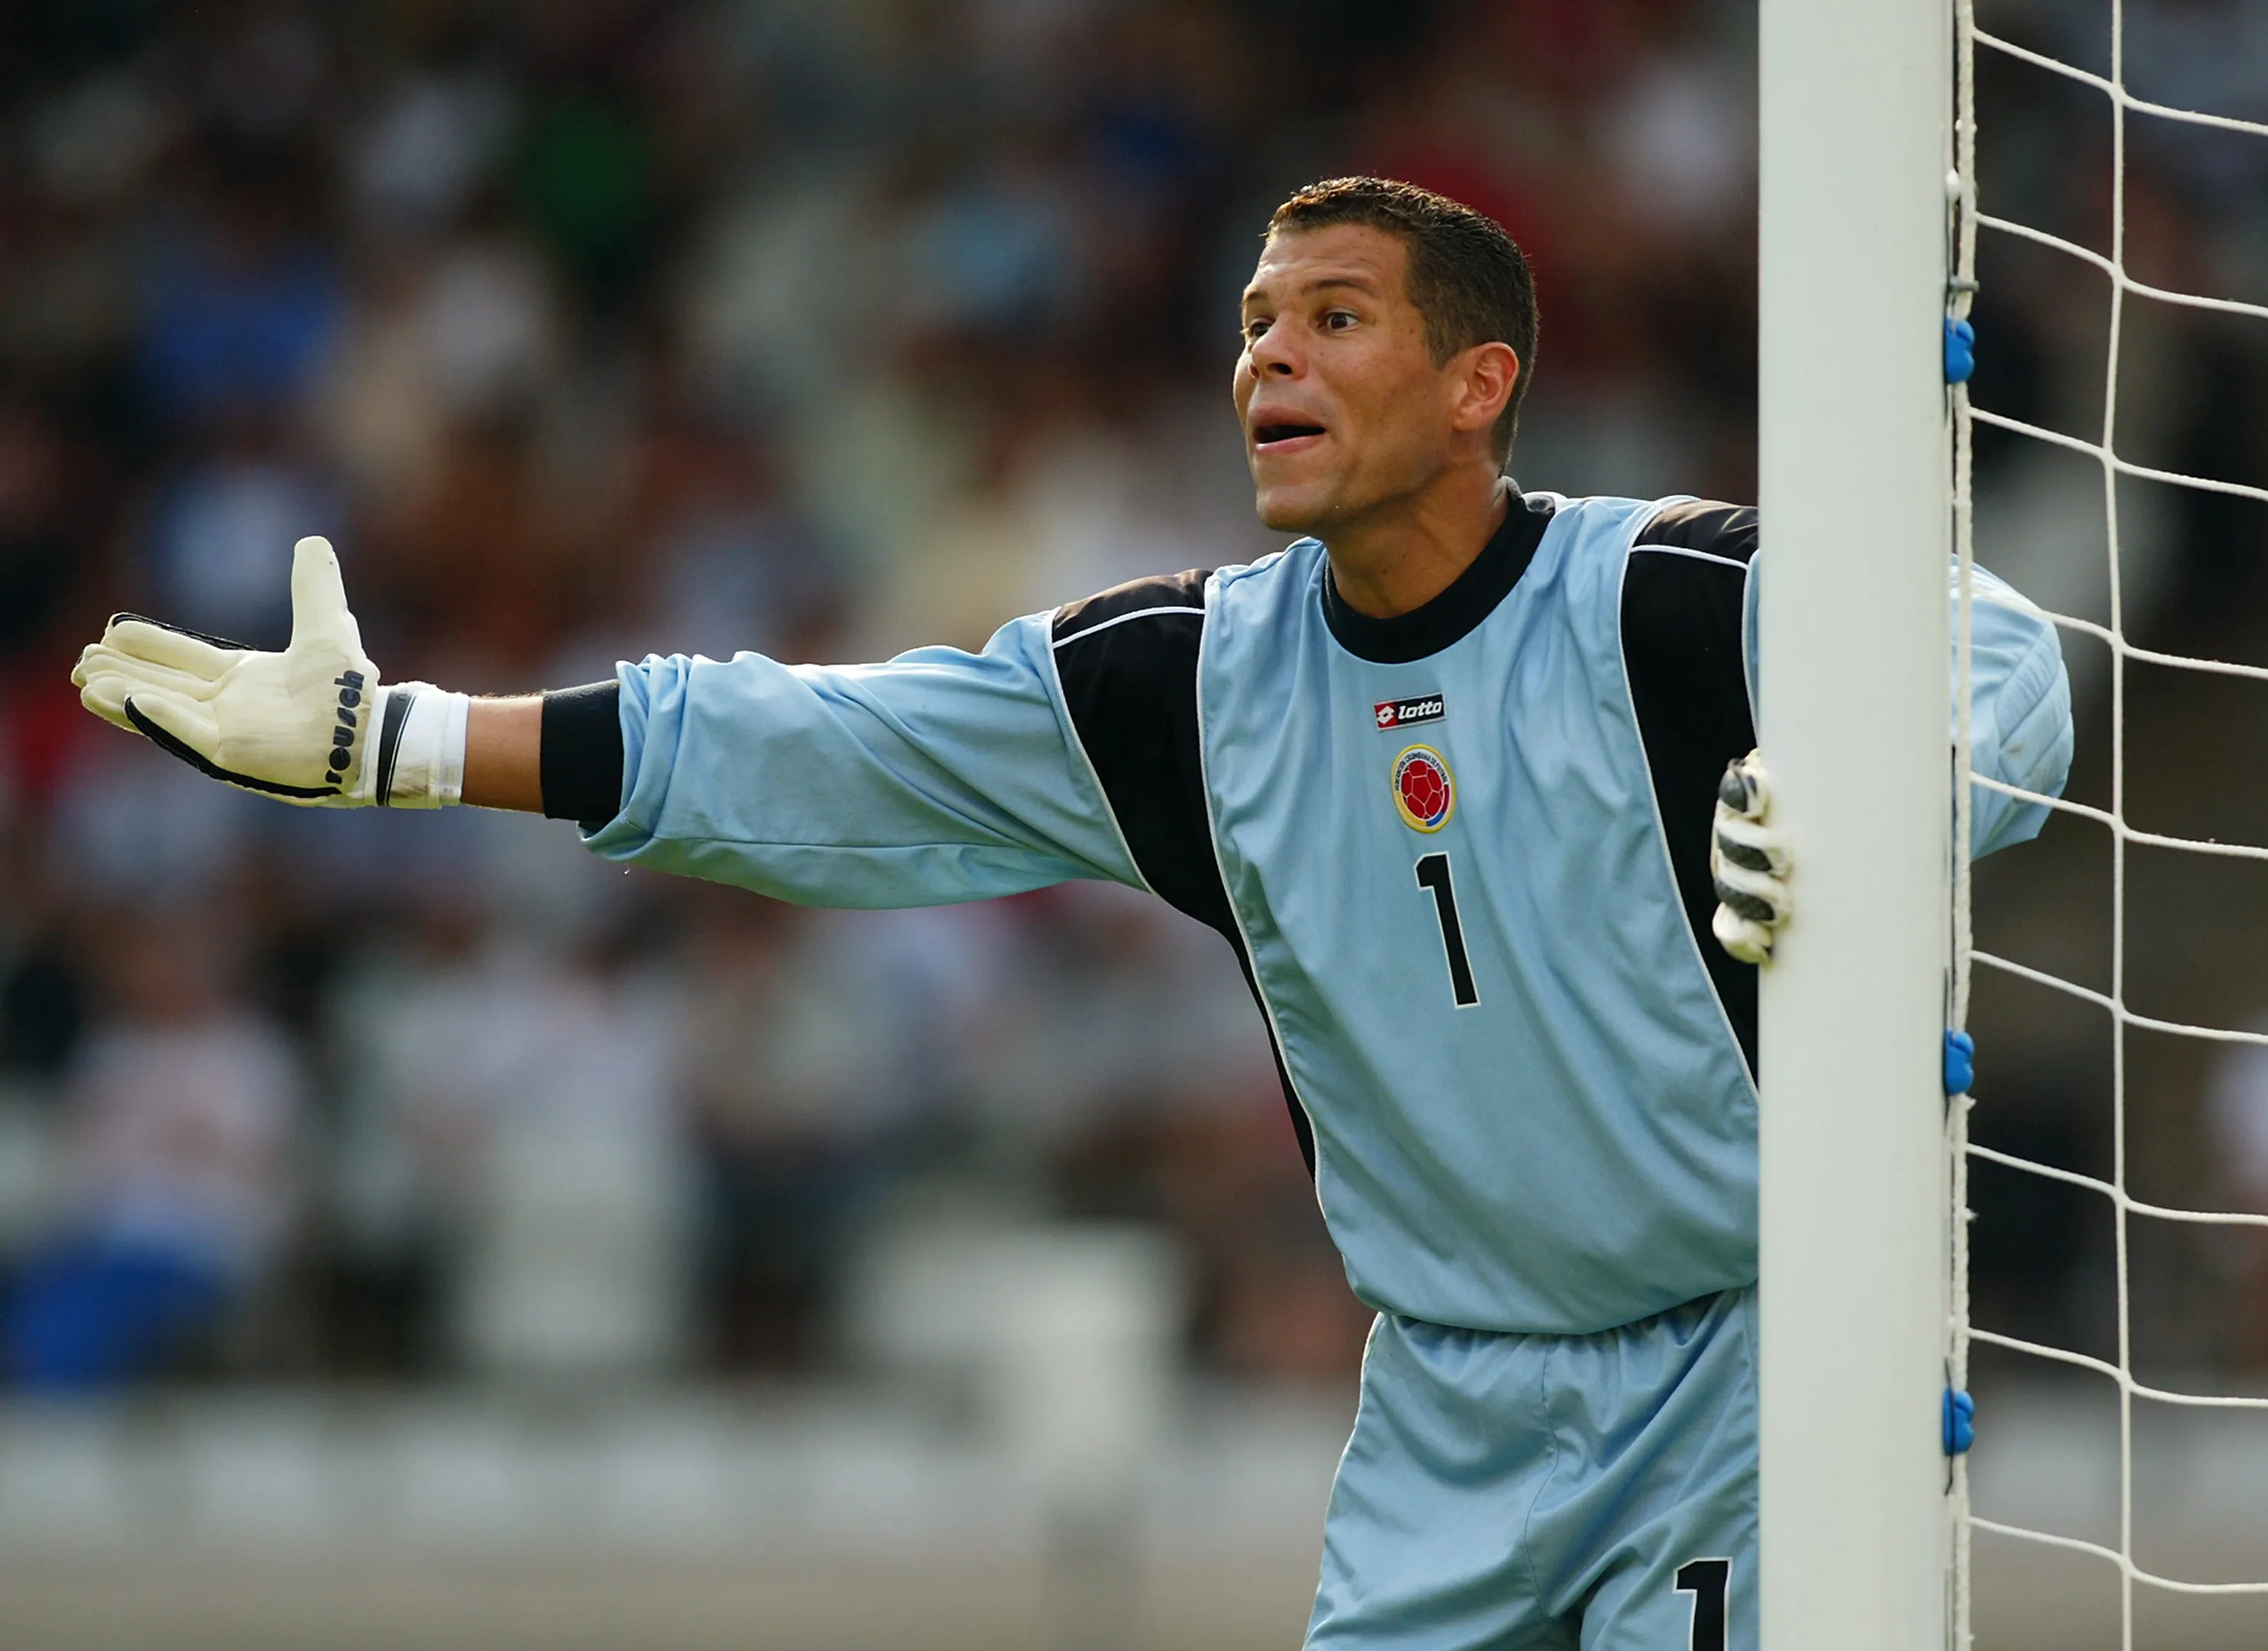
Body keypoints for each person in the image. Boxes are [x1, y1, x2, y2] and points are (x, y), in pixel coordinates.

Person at [72, 178, 2073, 1648]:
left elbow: (1998, 657)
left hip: (1745, 1366)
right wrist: (400, 743)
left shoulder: (1670, 602)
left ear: (1481, 384)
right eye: (1253, 321)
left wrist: (1887, 813)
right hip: (1446, 1412)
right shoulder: (1176, 685)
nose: (1268, 353)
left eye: (1334, 318)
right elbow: (802, 750)